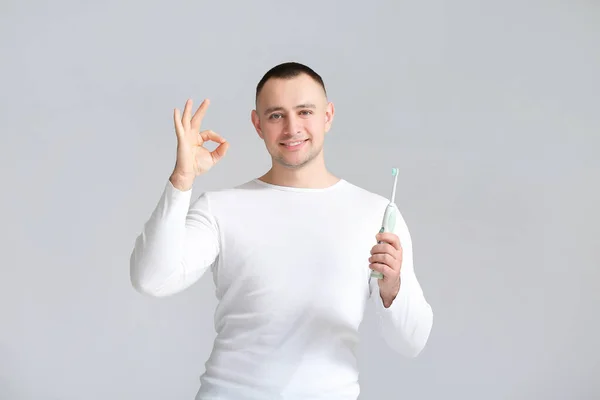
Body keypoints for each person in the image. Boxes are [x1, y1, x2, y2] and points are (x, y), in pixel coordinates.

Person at [130, 62, 433, 399]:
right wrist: (181, 181)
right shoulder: (220, 207)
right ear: (257, 124)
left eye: (305, 112)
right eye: (276, 116)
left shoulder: (377, 214)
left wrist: (393, 288)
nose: (292, 128)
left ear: (327, 116)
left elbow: (412, 342)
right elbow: (151, 279)